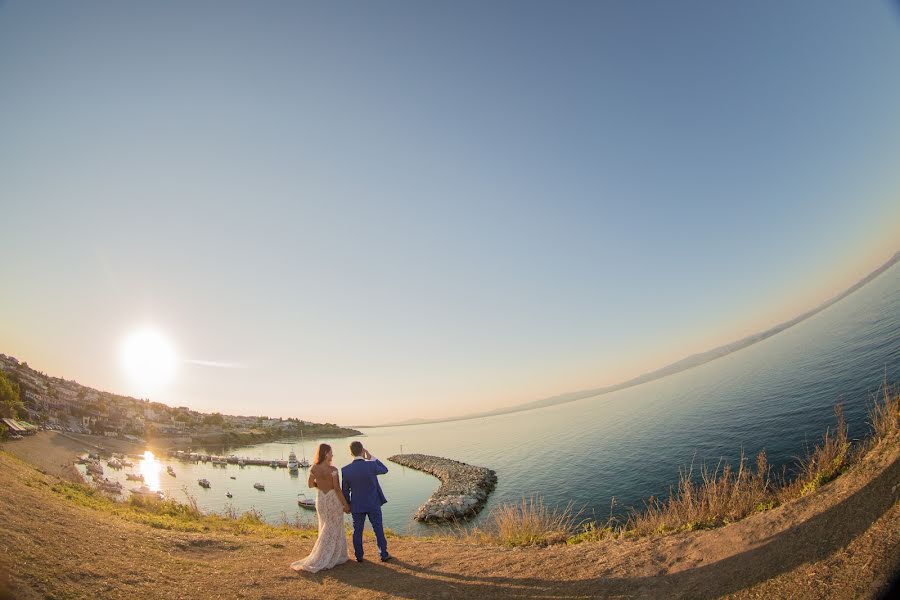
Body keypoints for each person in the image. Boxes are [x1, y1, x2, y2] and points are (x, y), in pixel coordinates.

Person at [290, 443, 351, 573]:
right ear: (326, 454)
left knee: (325, 525)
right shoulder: (333, 469)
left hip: (321, 499)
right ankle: (330, 555)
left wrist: (320, 483)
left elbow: (310, 485)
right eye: (331, 452)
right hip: (332, 499)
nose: (332, 454)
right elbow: (337, 489)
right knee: (334, 526)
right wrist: (345, 505)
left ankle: (329, 554)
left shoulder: (314, 468)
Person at [341, 441, 390, 562]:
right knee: (378, 528)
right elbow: (385, 469)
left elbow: (345, 491)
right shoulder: (371, 465)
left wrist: (347, 505)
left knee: (357, 531)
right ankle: (383, 554)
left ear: (351, 453)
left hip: (356, 505)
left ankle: (359, 556)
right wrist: (371, 457)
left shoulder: (345, 470)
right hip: (373, 503)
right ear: (363, 450)